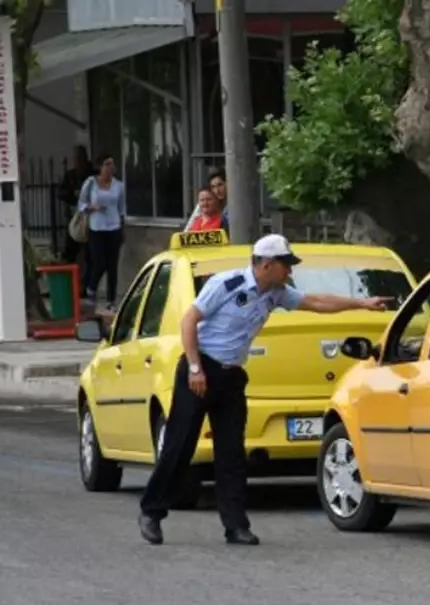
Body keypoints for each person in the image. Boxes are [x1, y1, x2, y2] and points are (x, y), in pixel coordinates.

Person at [137, 234, 392, 547]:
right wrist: (194, 368)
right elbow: (189, 321)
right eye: (286, 265)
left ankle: (235, 526)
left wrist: (362, 303)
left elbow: (316, 302)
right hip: (199, 371)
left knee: (231, 454)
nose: (290, 272)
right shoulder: (227, 284)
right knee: (179, 446)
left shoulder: (276, 293)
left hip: (231, 376)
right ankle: (152, 512)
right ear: (267, 265)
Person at [78, 153, 128, 312]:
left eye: (112, 164)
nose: (110, 167)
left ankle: (111, 299)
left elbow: (122, 208)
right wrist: (92, 208)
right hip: (96, 227)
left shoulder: (119, 185)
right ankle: (91, 288)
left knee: (112, 265)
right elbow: (81, 203)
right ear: (100, 167)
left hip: (113, 227)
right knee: (99, 262)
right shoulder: (91, 183)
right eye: (107, 164)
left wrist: (122, 227)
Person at [59, 145, 96, 289]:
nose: (77, 161)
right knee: (69, 253)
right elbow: (60, 193)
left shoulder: (93, 175)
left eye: (80, 158)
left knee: (90, 256)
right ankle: (67, 285)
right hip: (74, 219)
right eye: (75, 158)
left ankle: (86, 286)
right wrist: (72, 194)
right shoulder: (70, 176)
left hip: (90, 219)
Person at [186, 167, 229, 231]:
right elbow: (189, 228)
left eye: (220, 185)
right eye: (213, 187)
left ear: (227, 184)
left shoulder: (233, 204)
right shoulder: (203, 205)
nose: (217, 190)